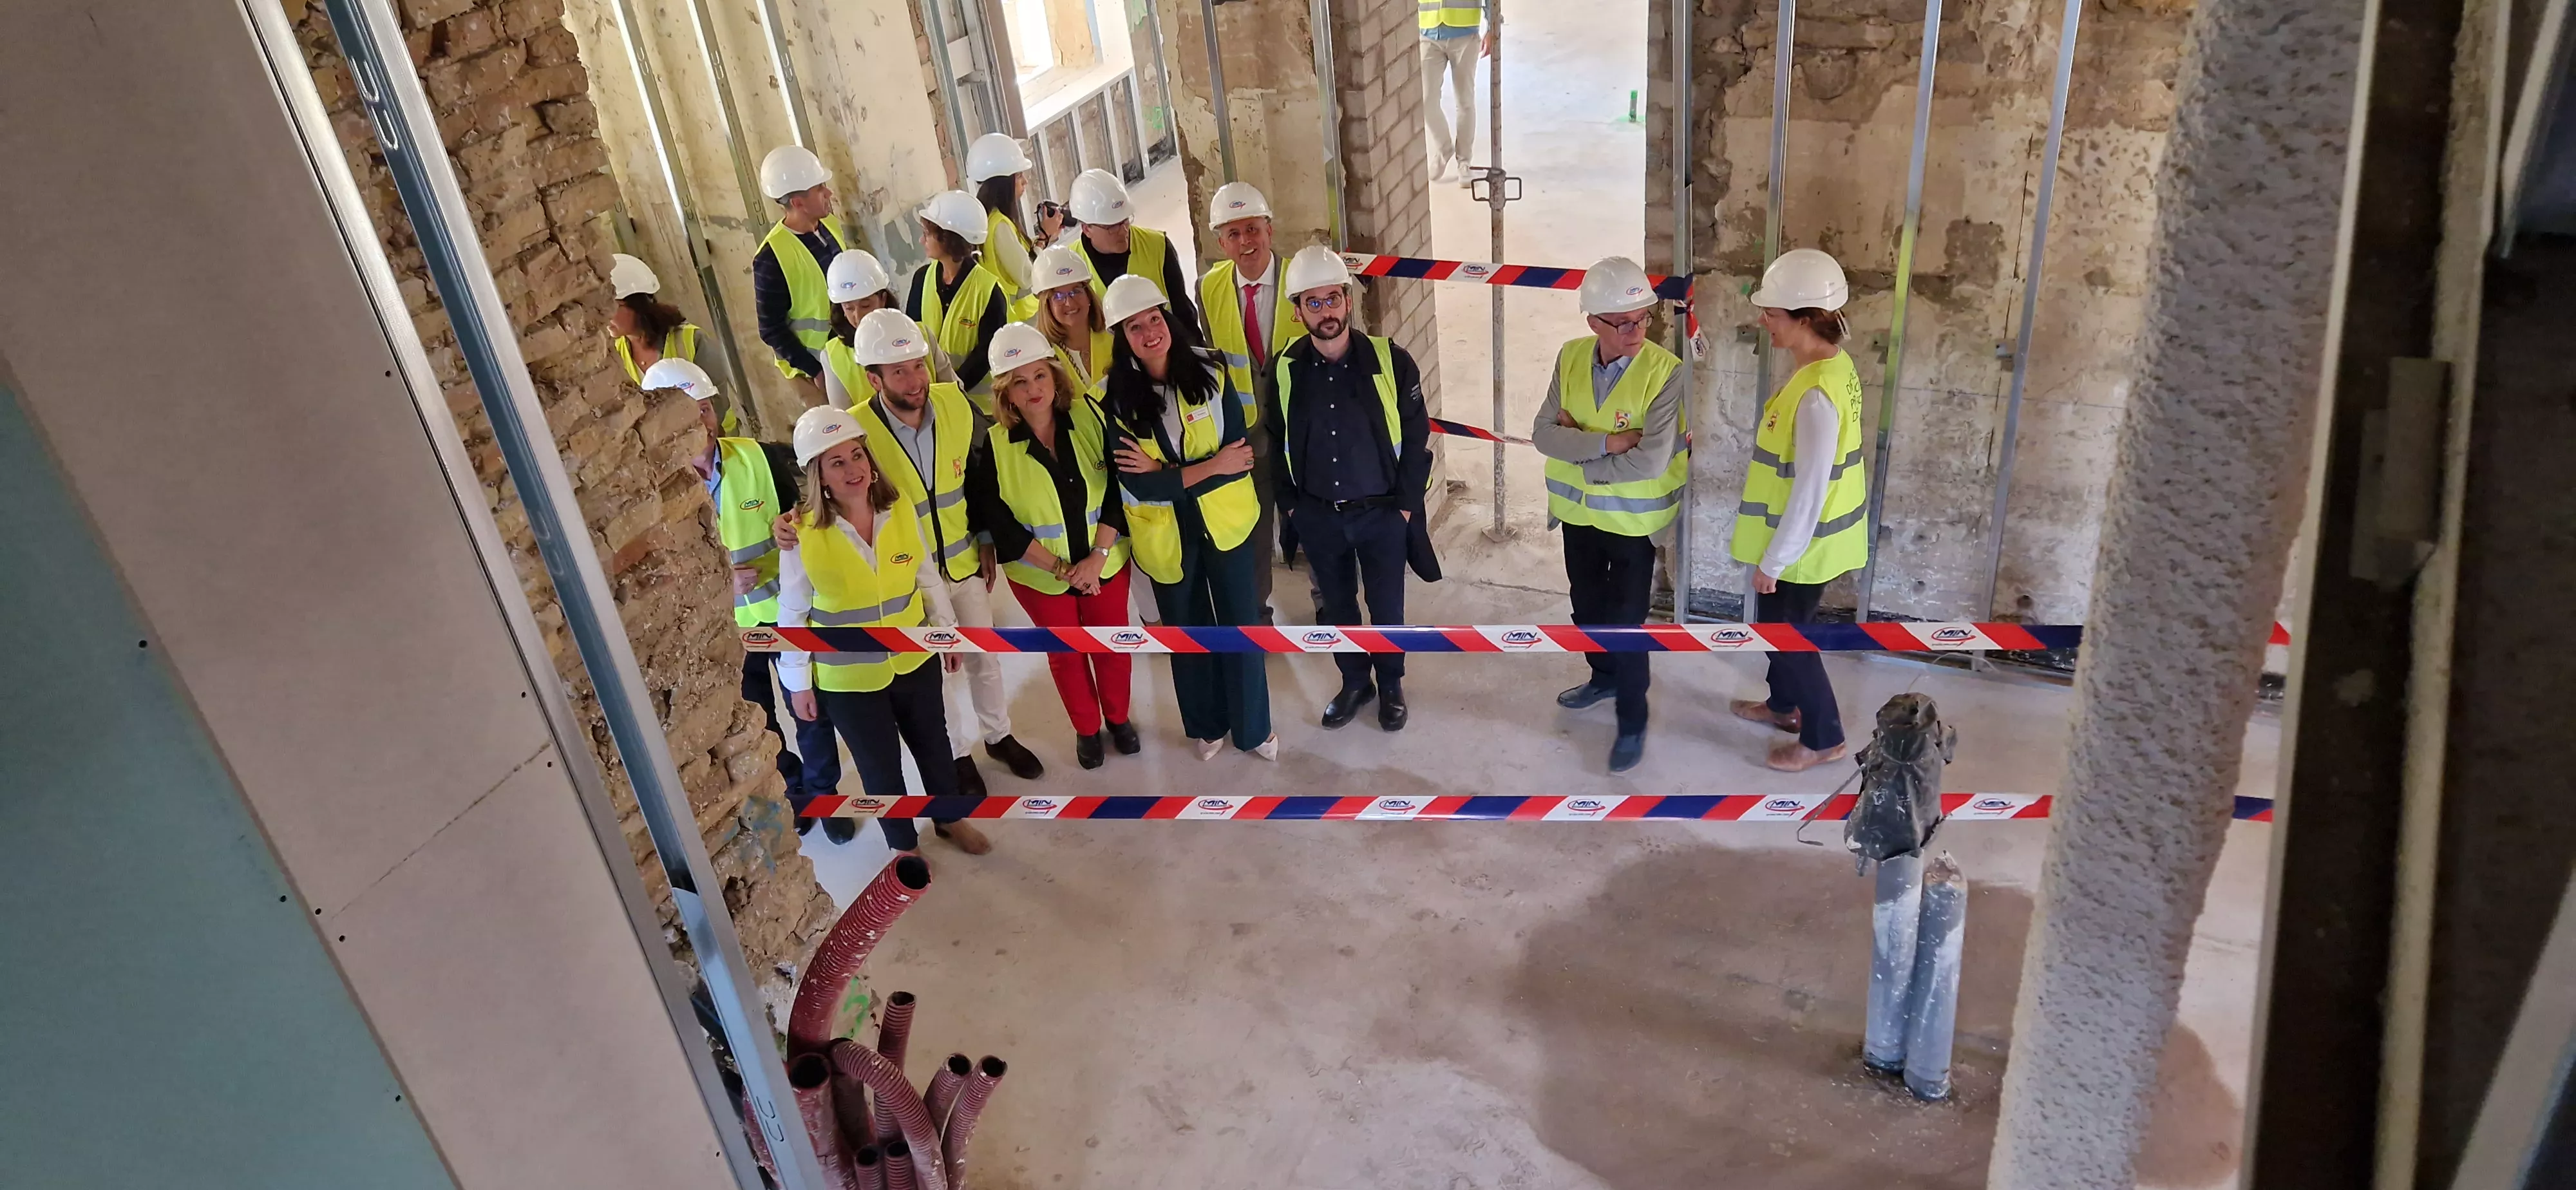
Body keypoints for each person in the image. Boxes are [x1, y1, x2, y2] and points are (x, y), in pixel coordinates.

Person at [781, 308, 1048, 798]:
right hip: (906, 578)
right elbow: (829, 485)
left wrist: (987, 535)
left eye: (919, 365)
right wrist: (788, 522)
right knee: (939, 678)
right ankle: (960, 753)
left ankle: (999, 734)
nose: (915, 379)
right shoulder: (856, 429)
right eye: (899, 370)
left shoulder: (955, 404)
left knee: (982, 658)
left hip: (963, 560)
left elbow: (978, 476)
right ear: (872, 378)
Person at [641, 359, 855, 844]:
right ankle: (794, 793)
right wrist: (714, 584)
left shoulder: (757, 458)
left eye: (705, 410)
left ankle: (825, 795)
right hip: (723, 632)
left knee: (809, 709)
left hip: (784, 616)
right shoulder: (652, 490)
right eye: (688, 414)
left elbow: (800, 527)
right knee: (757, 719)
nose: (702, 423)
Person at [776, 405, 992, 856]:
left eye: (857, 455)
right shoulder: (803, 534)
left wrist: (944, 633)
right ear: (820, 476)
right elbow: (792, 612)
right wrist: (798, 685)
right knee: (880, 770)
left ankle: (950, 819)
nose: (853, 468)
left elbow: (926, 576)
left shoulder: (899, 510)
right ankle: (903, 847)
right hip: (849, 679)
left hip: (913, 658)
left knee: (936, 748)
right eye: (837, 462)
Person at [1100, 275, 1276, 760]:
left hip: (1227, 524)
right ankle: (1206, 725)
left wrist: (1170, 472)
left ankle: (1254, 729)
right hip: (1168, 538)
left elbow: (1239, 457)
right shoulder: (1113, 400)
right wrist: (1205, 467)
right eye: (1135, 327)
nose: (1150, 332)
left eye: (1155, 319)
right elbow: (1137, 482)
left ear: (1169, 319)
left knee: (1241, 626)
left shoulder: (1212, 369)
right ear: (1123, 338)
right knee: (1188, 632)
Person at [1269, 247, 1439, 732]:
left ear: (1348, 299)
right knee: (1339, 609)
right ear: (1298, 311)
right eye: (1314, 303)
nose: (1327, 312)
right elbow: (1275, 442)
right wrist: (1295, 511)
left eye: (1334, 298)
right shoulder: (1286, 370)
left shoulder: (1391, 361)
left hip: (1381, 515)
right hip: (1320, 516)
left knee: (1387, 608)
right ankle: (1353, 682)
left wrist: (1404, 512)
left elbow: (1415, 440)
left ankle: (1390, 685)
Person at [1531, 258, 1689, 774]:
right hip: (1578, 517)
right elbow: (1542, 436)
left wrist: (1580, 447)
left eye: (1644, 318)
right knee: (1585, 607)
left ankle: (1633, 717)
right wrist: (1611, 442)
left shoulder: (1665, 372)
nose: (1638, 331)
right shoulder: (1571, 357)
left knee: (1627, 625)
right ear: (1593, 322)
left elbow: (1651, 459)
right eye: (1624, 323)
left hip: (1630, 525)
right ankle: (1602, 677)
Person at [967, 324, 1141, 769]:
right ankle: (1087, 730)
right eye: (1020, 383)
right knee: (1066, 656)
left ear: (1055, 376)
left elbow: (1121, 487)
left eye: (1039, 376)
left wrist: (1096, 558)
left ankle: (1119, 719)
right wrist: (1066, 571)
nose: (1033, 389)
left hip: (1104, 561)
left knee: (1111, 646)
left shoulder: (1089, 417)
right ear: (1006, 393)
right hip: (1040, 576)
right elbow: (1002, 527)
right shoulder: (995, 445)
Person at [1728, 248, 1870, 773]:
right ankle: (1783, 707)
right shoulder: (1830, 367)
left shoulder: (1816, 398)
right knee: (1776, 630)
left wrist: (1776, 561)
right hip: (1806, 542)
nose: (1763, 321)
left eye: (1773, 314)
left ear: (1807, 320)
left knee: (1792, 639)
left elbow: (1810, 488)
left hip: (1805, 547)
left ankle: (1824, 737)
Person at [1196, 182, 1294, 622]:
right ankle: (1257, 614)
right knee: (1254, 531)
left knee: (1316, 526)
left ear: (1270, 231)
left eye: (1253, 229)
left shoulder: (1300, 279)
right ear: (1220, 242)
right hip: (1247, 438)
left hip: (1301, 431)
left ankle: (1330, 607)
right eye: (1234, 234)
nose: (1246, 242)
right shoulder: (1209, 289)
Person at [752, 146, 852, 405]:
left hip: (846, 355)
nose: (828, 193)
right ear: (798, 203)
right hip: (813, 370)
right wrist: (815, 370)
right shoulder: (771, 257)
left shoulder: (828, 225)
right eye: (820, 189)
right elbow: (770, 329)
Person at [906, 189, 1009, 411]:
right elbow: (910, 336)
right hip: (931, 402)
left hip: (979, 408)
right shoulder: (921, 279)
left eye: (927, 233)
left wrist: (952, 392)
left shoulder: (989, 290)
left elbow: (985, 355)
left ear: (949, 238)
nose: (921, 239)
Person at [1066, 168, 1198, 330]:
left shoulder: (1157, 245)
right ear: (1087, 229)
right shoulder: (1071, 263)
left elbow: (1183, 313)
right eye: (1112, 227)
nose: (1123, 231)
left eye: (1125, 221)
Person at [1419, 0, 1492, 184]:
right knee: (1426, 101)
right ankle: (1444, 148)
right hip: (1427, 34)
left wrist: (1493, 26)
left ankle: (1464, 162)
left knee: (1465, 101)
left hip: (1465, 35)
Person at [1027, 245, 1114, 399]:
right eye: (1058, 297)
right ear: (1046, 305)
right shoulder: (1042, 357)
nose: (1069, 303)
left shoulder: (1115, 334)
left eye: (1076, 291)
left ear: (1088, 294)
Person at [819, 249, 898, 409]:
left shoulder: (921, 335)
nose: (858, 316)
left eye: (866, 305)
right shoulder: (833, 357)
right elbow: (844, 416)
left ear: (883, 299)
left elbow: (951, 391)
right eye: (849, 308)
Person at [964, 133, 1037, 303]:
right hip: (1020, 318)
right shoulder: (999, 226)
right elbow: (1027, 277)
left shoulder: (984, 218)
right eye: (1019, 176)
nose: (1025, 182)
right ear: (1003, 182)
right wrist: (1044, 239)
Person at [608, 253, 701, 386]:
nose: (605, 316)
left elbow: (718, 401)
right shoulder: (615, 354)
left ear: (637, 304)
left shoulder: (691, 339)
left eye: (611, 307)